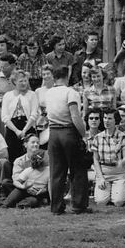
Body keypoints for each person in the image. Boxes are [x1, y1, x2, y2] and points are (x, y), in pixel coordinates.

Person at [46, 65, 89, 215]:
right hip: (68, 131)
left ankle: (56, 207)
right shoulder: (71, 92)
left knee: (57, 171)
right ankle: (79, 205)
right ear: (68, 75)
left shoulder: (49, 93)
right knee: (77, 169)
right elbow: (75, 116)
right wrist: (84, 134)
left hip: (53, 132)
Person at [92, 107, 125, 207]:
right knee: (101, 202)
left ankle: (116, 191)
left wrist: (121, 162)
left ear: (116, 120)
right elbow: (95, 159)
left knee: (118, 202)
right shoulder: (97, 137)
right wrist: (100, 177)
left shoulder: (123, 136)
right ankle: (106, 192)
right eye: (105, 118)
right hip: (103, 173)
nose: (107, 121)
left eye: (110, 118)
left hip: (119, 174)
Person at [1, 70, 39, 162]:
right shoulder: (7, 95)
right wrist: (16, 131)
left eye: (25, 81)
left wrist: (24, 130)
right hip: (12, 128)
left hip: (28, 126)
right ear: (14, 82)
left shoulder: (32, 95)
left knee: (30, 156)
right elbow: (5, 117)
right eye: (21, 81)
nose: (24, 83)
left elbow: (34, 114)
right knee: (13, 155)